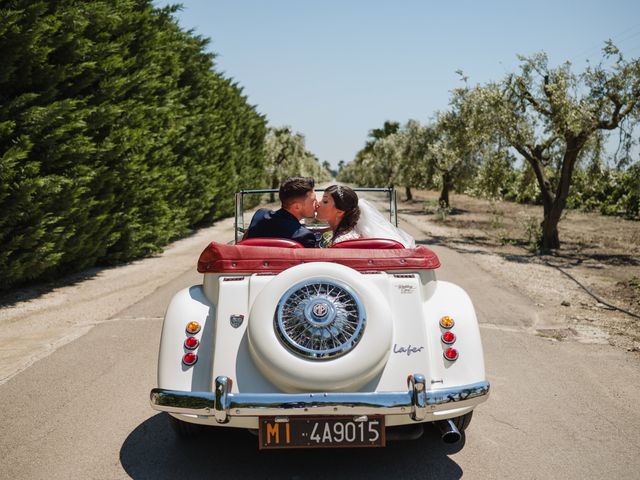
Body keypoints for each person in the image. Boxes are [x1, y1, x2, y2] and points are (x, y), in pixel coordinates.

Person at [316, 185, 416, 248]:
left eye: (325, 201)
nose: (318, 204)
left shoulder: (341, 242)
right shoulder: (343, 231)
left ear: (340, 212)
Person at [244, 176, 318, 248]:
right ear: (297, 207)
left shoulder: (260, 215)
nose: (317, 204)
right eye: (313, 201)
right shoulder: (305, 237)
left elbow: (243, 243)